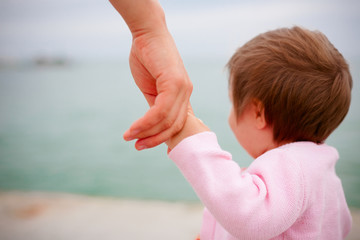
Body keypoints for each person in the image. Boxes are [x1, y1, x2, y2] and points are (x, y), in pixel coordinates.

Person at [110, 1, 353, 239]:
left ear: (258, 113)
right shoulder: (322, 175)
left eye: (232, 102)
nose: (231, 113)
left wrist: (188, 135)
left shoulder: (293, 165)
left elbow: (248, 216)